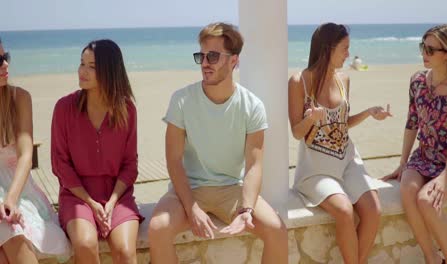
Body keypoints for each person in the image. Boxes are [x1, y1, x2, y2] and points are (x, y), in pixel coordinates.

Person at [148, 22, 288, 264]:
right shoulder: (181, 100)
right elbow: (173, 161)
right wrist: (192, 209)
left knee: (276, 230)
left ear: (234, 61)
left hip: (231, 190)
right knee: (158, 228)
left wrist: (246, 210)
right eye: (201, 56)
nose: (204, 63)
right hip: (188, 190)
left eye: (212, 56)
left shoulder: (252, 105)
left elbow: (254, 165)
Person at [288, 23, 392, 264]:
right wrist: (310, 119)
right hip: (316, 170)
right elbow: (296, 132)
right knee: (345, 211)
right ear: (328, 49)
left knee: (373, 209)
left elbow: (341, 124)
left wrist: (368, 113)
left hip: (347, 160)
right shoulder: (298, 82)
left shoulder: (343, 79)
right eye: (344, 49)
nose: (348, 54)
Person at [51, 39, 143, 264]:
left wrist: (111, 202)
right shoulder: (64, 108)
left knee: (125, 252)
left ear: (109, 70)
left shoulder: (127, 110)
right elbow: (60, 164)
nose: (83, 71)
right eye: (82, 63)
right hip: (76, 197)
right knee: (85, 244)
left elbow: (130, 165)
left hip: (118, 197)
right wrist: (91, 203)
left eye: (92, 66)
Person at [383, 24, 447, 264]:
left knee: (427, 200)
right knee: (407, 190)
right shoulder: (418, 81)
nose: (424, 54)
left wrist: (444, 177)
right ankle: (432, 258)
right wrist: (402, 163)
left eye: (431, 49)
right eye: (423, 47)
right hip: (424, 156)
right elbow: (412, 124)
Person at [0, 37, 70, 264]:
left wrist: (10, 199)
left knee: (12, 229)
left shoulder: (19, 98)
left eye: (5, 57)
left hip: (17, 187)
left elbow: (25, 156)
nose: (5, 65)